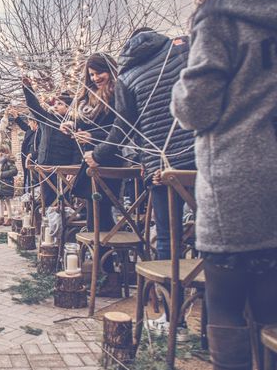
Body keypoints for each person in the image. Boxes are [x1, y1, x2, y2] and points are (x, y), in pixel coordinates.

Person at [171, 0, 277, 370]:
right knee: (274, 311)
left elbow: (196, 107)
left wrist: (179, 87)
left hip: (238, 177)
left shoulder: (222, 16)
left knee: (228, 305)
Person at [90, 29, 194, 262]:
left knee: (168, 236)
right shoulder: (184, 48)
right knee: (209, 231)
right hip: (199, 157)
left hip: (161, 166)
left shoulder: (127, 76)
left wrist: (97, 154)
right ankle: (204, 292)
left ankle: (169, 293)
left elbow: (124, 126)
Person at [63, 53, 120, 234]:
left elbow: (120, 130)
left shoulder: (117, 94)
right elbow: (84, 126)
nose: (95, 78)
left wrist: (92, 136)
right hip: (89, 160)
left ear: (109, 70)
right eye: (92, 75)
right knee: (93, 215)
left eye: (98, 73)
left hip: (109, 160)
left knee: (102, 216)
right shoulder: (88, 98)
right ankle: (101, 258)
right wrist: (72, 125)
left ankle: (106, 258)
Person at [21, 77, 78, 208]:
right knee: (46, 199)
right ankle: (49, 224)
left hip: (64, 167)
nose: (56, 106)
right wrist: (28, 88)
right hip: (45, 165)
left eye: (60, 104)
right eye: (55, 103)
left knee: (64, 199)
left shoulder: (72, 123)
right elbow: (34, 106)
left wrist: (74, 168)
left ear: (68, 107)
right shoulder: (47, 118)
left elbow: (76, 147)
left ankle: (64, 225)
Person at [10, 110, 40, 192]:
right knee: (27, 183)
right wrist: (16, 116)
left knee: (33, 185)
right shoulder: (30, 130)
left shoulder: (40, 133)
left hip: (34, 164)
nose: (28, 124)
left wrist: (32, 155)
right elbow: (24, 126)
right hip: (27, 163)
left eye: (29, 122)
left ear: (35, 122)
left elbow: (41, 148)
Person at [0, 145, 18, 226]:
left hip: (7, 184)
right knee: (0, 200)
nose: (0, 154)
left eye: (2, 152)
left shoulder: (9, 161)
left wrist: (2, 175)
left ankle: (9, 218)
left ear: (6, 152)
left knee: (7, 201)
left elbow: (14, 171)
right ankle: (1, 217)